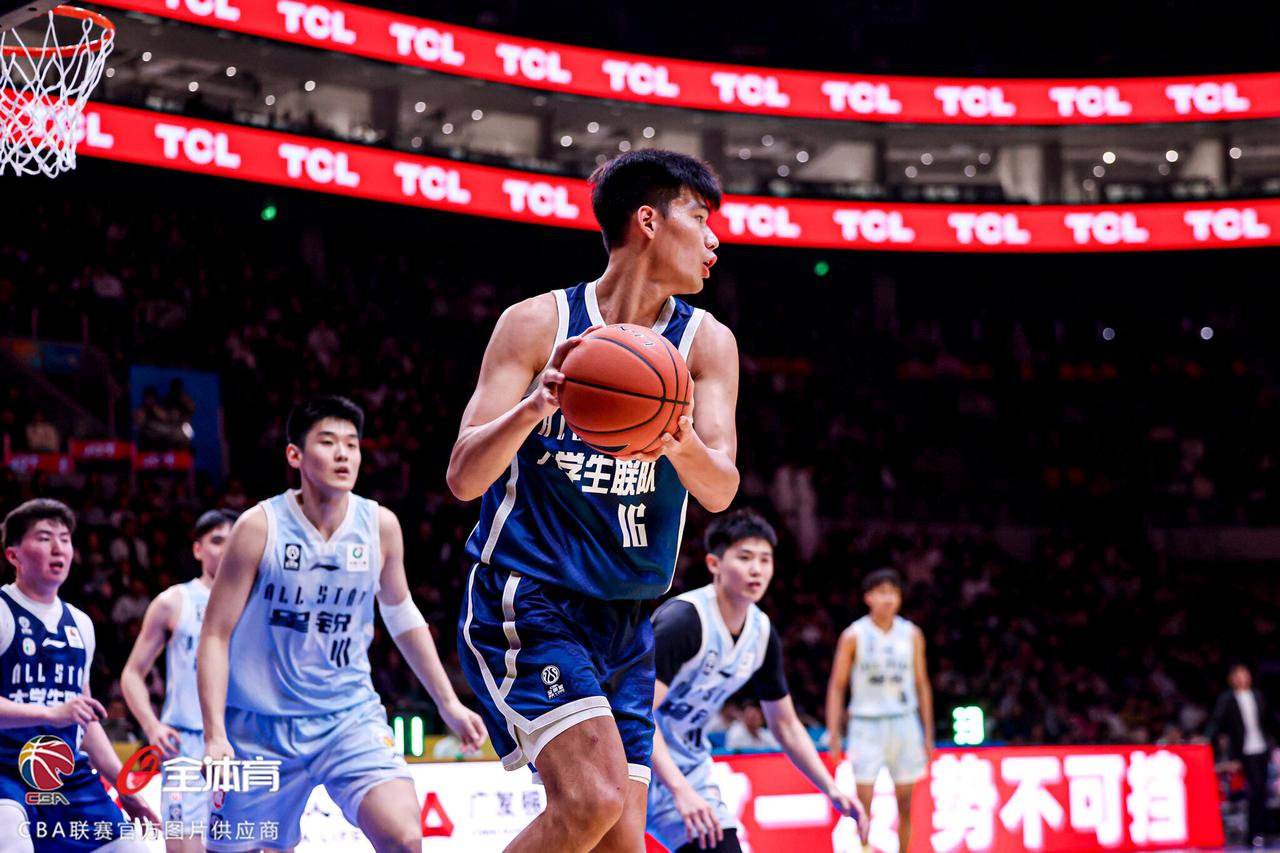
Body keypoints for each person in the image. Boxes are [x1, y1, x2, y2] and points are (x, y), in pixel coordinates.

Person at [448, 149, 740, 853]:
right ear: (648, 221)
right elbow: (463, 477)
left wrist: (678, 440)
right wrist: (534, 406)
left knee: (618, 839)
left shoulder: (707, 344)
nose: (714, 240)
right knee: (592, 799)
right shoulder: (536, 324)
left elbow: (720, 487)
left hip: (630, 617)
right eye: (699, 218)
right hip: (531, 598)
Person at [198, 397, 486, 852]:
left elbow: (401, 614)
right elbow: (215, 634)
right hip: (260, 729)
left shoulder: (379, 525)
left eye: (352, 444)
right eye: (328, 442)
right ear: (295, 455)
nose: (343, 455)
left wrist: (448, 703)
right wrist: (215, 733)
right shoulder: (258, 527)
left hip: (348, 718)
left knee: (405, 838)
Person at [647, 509, 867, 853]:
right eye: (745, 557)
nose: (757, 569)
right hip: (632, 765)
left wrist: (831, 788)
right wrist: (679, 790)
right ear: (714, 564)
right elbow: (637, 713)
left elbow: (786, 725)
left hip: (687, 770)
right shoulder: (684, 621)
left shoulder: (761, 633)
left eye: (765, 559)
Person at [0, 498, 157, 851]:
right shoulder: (3, 612)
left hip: (66, 775)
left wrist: (124, 787)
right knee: (9, 831)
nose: (58, 548)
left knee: (132, 848)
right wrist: (50, 714)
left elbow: (86, 722)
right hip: (5, 770)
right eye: (44, 538)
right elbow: (61, 713)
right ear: (13, 555)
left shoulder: (81, 624)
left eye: (65, 539)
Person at [121, 509, 237, 852]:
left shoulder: (257, 603)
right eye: (217, 541)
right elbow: (132, 674)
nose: (226, 548)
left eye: (233, 541)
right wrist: (151, 725)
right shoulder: (174, 602)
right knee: (183, 847)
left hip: (242, 743)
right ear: (198, 549)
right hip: (186, 745)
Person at [826, 568, 933, 853]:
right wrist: (834, 734)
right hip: (865, 724)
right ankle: (862, 849)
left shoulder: (912, 634)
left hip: (904, 720)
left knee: (906, 802)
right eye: (882, 592)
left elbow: (922, 684)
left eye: (893, 593)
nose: (888, 598)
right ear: (868, 597)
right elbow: (837, 686)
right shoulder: (853, 635)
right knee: (863, 803)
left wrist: (928, 733)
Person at [1206, 663, 1272, 846]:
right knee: (1255, 789)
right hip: (1243, 751)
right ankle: (1253, 833)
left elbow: (1267, 721)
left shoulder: (1258, 695)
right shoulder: (1227, 698)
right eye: (1237, 675)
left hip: (1261, 748)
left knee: (1262, 790)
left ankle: (1259, 831)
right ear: (1231, 679)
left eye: (1244, 673)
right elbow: (1217, 721)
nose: (1242, 677)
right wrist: (1206, 739)